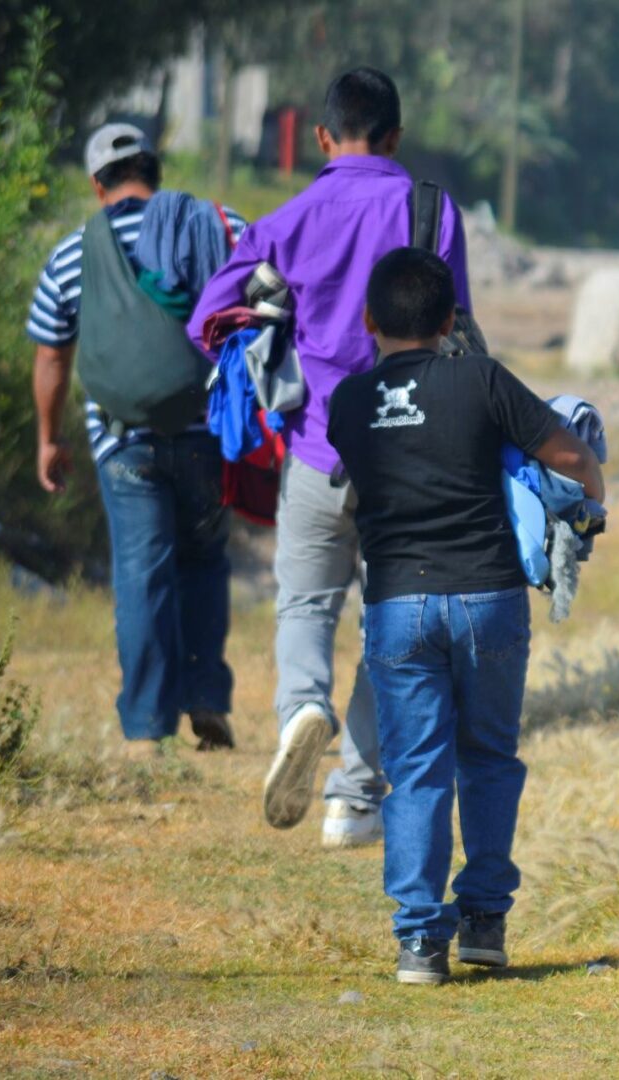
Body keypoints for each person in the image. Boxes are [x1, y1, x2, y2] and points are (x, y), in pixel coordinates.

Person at [191, 68, 472, 848]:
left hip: (317, 451)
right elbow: (461, 327)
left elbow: (207, 319)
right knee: (392, 627)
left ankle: (300, 710)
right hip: (411, 463)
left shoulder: (286, 220)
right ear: (397, 136)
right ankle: (352, 798)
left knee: (306, 605)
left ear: (322, 137)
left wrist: (274, 313)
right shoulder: (430, 210)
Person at [326, 247, 604, 985]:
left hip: (397, 606)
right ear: (451, 319)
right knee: (488, 757)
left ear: (368, 321)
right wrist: (594, 497)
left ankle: (420, 942)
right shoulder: (481, 379)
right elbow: (569, 457)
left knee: (415, 771)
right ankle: (483, 921)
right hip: (488, 598)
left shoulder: (347, 402)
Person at [30, 123, 246, 758]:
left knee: (142, 573)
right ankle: (205, 695)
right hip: (209, 433)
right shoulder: (218, 223)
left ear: (98, 186)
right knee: (205, 560)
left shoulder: (72, 252)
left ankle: (148, 728)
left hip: (125, 441)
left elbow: (51, 356)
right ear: (155, 170)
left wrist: (48, 438)